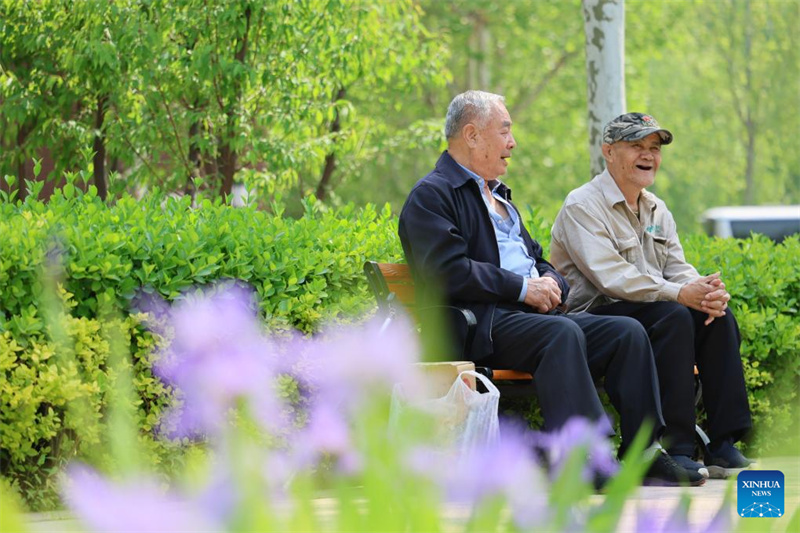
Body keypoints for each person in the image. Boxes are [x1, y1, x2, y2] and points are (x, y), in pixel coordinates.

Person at [398, 91, 703, 486]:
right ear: (472, 135)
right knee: (561, 332)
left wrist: (551, 283)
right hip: (481, 322)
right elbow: (447, 272)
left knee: (625, 332)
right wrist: (522, 288)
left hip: (530, 319)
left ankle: (644, 453)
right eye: (505, 131)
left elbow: (539, 260)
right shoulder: (432, 195)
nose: (513, 143)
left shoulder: (499, 196)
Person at [551, 112, 754, 479]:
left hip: (646, 312)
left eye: (654, 148)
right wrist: (680, 294)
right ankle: (676, 449)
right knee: (673, 316)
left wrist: (704, 292)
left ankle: (724, 443)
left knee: (715, 318)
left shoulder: (657, 208)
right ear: (608, 152)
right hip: (595, 320)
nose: (648, 155)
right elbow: (611, 277)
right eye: (636, 145)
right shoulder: (582, 205)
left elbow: (677, 267)